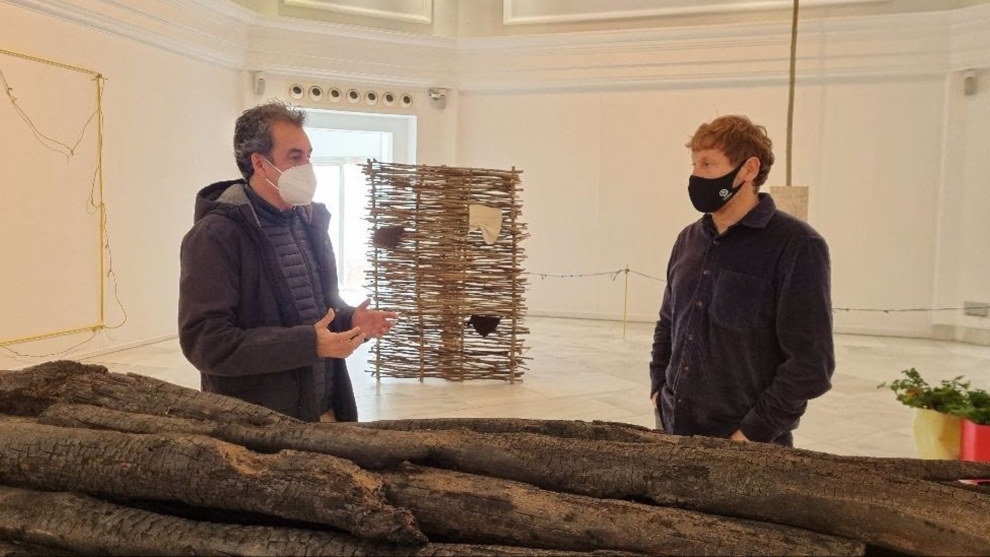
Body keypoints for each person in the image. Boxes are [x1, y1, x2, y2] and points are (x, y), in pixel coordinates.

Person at [179, 101, 396, 422]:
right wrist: (307, 343)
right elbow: (206, 344)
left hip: (325, 408)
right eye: (295, 157)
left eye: (308, 155)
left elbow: (321, 310)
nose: (307, 166)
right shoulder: (215, 235)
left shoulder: (309, 223)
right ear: (260, 164)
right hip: (261, 424)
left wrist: (350, 320)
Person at [649, 114, 834, 446]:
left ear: (749, 169)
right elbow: (668, 324)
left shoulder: (797, 245)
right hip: (673, 430)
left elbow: (811, 364)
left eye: (708, 164)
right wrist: (658, 391)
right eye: (693, 164)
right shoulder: (688, 240)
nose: (695, 176)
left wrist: (751, 433)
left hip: (746, 446)